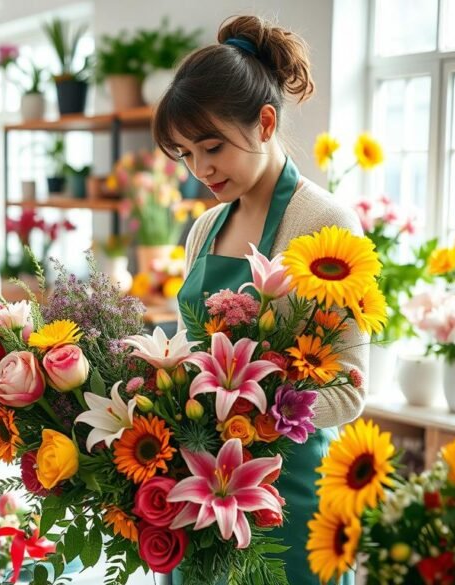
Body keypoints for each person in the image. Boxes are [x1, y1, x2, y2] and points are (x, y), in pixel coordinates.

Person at [153, 14, 367, 585]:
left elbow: (348, 390)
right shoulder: (204, 229)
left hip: (290, 501)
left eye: (212, 146)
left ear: (265, 122)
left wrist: (256, 415)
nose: (200, 169)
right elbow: (185, 351)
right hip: (201, 492)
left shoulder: (325, 225)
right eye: (185, 154)